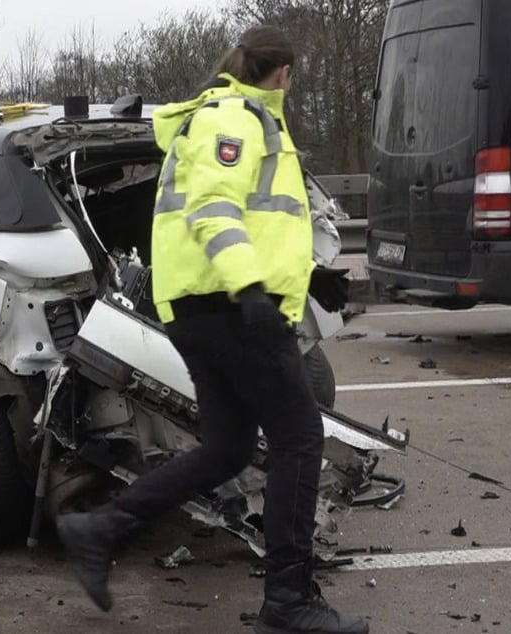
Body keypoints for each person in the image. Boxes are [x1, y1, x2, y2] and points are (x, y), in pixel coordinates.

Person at [56, 24, 364, 634]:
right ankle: (289, 601)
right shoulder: (237, 119)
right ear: (282, 73)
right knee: (299, 440)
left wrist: (309, 274)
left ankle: (99, 530)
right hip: (228, 305)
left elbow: (257, 222)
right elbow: (215, 208)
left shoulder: (220, 117)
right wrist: (250, 288)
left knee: (226, 447)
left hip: (202, 307)